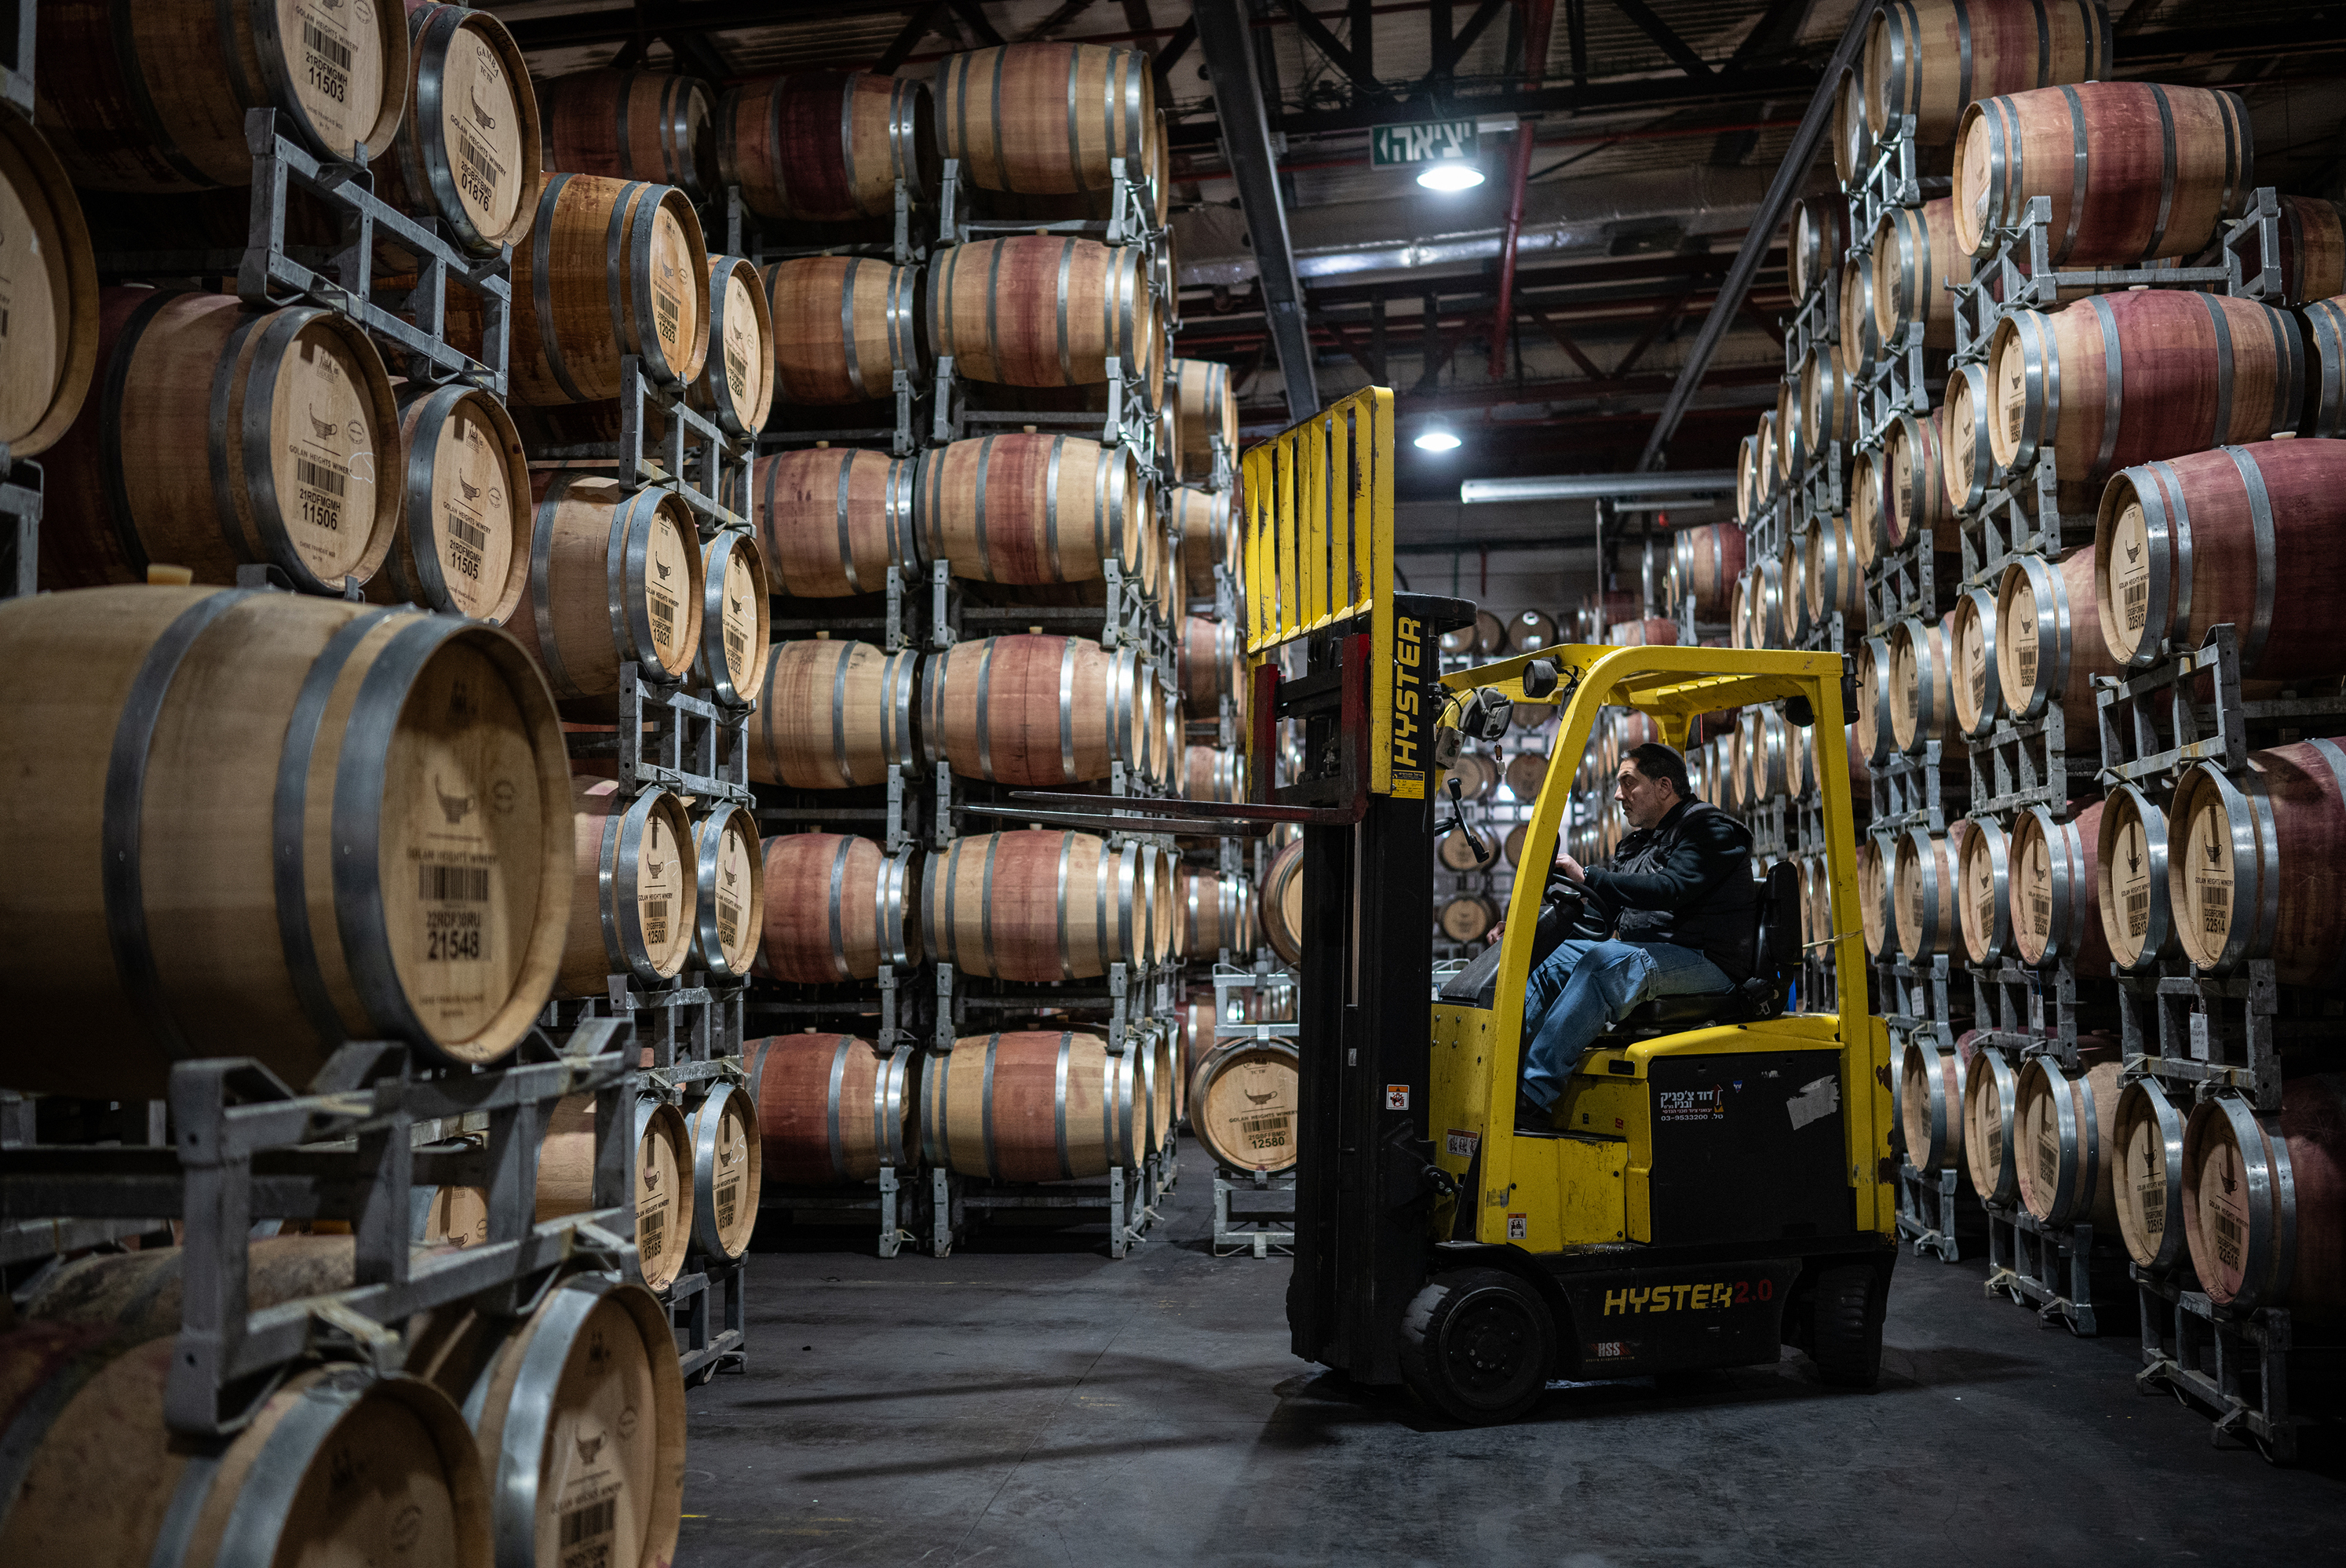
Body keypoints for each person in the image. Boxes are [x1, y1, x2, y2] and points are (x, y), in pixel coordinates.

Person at [1498, 741, 1756, 1131]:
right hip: (1652, 954)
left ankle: (1531, 1098)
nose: (1619, 794)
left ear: (1664, 786)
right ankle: (1501, 1077)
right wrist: (1536, 927)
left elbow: (1672, 888)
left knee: (1606, 964)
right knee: (1550, 961)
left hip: (1706, 961)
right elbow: (1604, 919)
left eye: (1629, 783)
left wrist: (1591, 876)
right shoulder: (1638, 843)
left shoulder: (1710, 830)